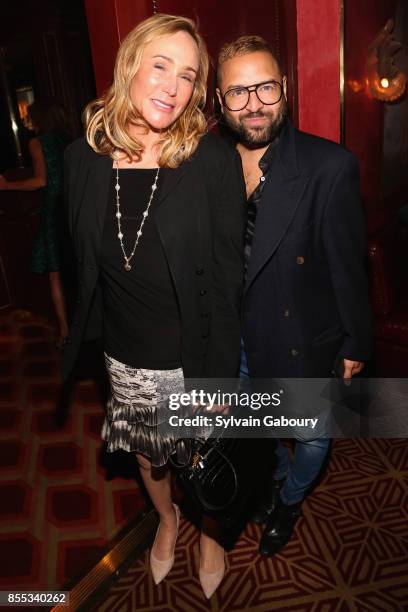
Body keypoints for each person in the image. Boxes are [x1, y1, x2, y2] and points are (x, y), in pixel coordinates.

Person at [62, 14, 244, 598]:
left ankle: (211, 531)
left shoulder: (210, 161)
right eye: (160, 65)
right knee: (149, 459)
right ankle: (166, 522)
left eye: (188, 75)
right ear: (129, 66)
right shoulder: (81, 159)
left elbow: (225, 281)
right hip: (125, 357)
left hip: (191, 357)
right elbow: (82, 264)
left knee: (201, 456)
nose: (173, 84)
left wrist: (216, 380)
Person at [216, 36, 372, 557]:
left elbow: (350, 267)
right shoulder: (205, 167)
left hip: (304, 332)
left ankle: (289, 499)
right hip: (235, 338)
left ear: (284, 90)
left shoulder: (329, 166)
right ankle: (271, 480)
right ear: (220, 100)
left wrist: (355, 343)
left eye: (264, 87)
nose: (253, 103)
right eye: (238, 91)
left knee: (309, 436)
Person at [0, 101, 71, 345]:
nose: (27, 122)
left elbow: (41, 180)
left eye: (30, 118)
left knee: (55, 273)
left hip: (53, 210)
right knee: (77, 268)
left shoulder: (37, 142)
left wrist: (6, 185)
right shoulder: (68, 139)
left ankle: (64, 332)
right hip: (73, 207)